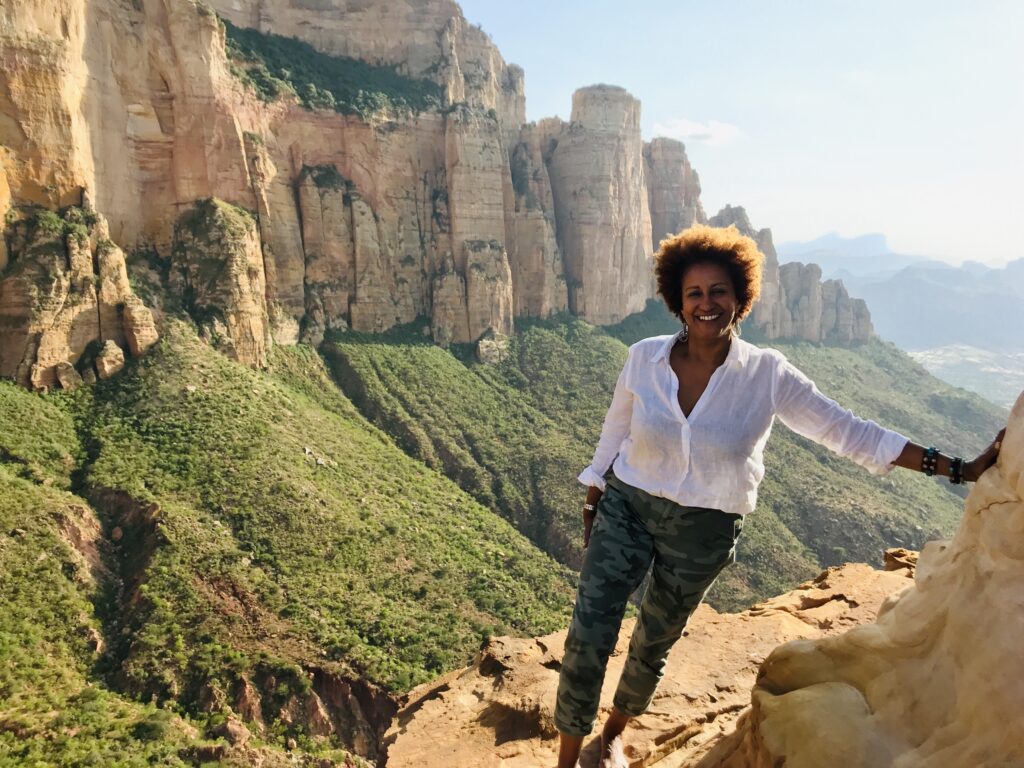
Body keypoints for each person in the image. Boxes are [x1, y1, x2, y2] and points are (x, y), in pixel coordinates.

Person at [553, 225, 1005, 768]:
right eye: (694, 293)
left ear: (741, 297)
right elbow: (614, 431)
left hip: (705, 528)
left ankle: (612, 736)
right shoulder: (643, 358)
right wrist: (593, 491)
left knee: (654, 642)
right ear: (677, 300)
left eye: (719, 291)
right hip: (628, 506)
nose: (706, 304)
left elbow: (849, 431)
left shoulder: (767, 374)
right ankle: (567, 756)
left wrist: (957, 468)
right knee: (589, 632)